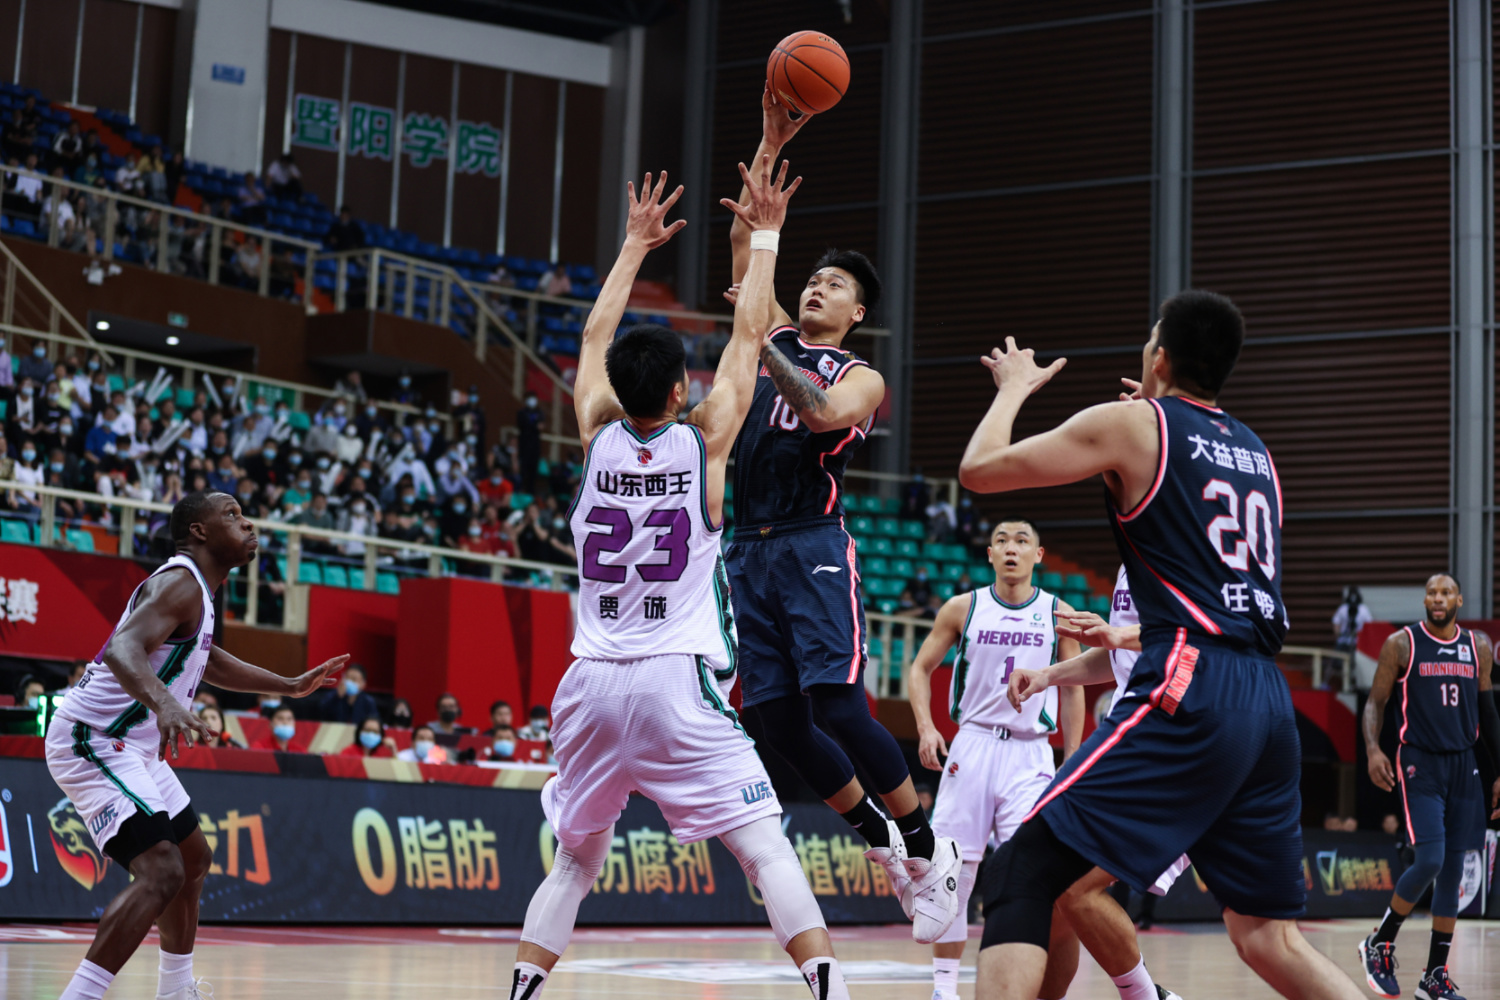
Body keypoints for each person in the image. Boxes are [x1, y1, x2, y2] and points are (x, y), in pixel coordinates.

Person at [506, 164, 859, 1000]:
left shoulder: (592, 433)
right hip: (674, 682)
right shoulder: (701, 445)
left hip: (588, 683)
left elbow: (594, 341)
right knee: (766, 845)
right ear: (677, 390)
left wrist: (633, 245)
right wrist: (765, 234)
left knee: (577, 861)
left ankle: (519, 992)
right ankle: (830, 993)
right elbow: (749, 339)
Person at [957, 292, 1363, 1000]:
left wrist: (1015, 388)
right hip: (1268, 700)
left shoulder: (1134, 423)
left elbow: (980, 469)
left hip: (1190, 683)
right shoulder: (1255, 450)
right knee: (1267, 935)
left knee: (1020, 871)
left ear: (1161, 356)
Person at [722, 88, 960, 944]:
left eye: (834, 286)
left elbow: (822, 414)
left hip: (813, 543)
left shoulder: (859, 374)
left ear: (856, 312)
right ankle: (886, 847)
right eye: (812, 280)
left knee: (841, 706)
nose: (816, 289)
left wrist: (764, 344)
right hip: (746, 548)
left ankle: (932, 853)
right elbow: (752, 243)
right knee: (773, 719)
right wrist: (767, 143)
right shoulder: (771, 332)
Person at [45, 489, 346, 1000]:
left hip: (134, 745)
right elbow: (123, 649)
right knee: (161, 870)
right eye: (232, 515)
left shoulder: (199, 593)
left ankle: (176, 991)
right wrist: (164, 703)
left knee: (192, 858)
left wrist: (291, 685)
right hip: (95, 737)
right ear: (199, 532)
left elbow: (207, 659)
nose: (248, 524)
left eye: (245, 515)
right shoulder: (180, 581)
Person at [907, 518, 1086, 1000]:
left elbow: (1072, 690)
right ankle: (944, 992)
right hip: (973, 744)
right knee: (952, 876)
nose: (1011, 549)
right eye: (1002, 541)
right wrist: (926, 727)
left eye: (1022, 541)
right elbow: (920, 668)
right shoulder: (963, 607)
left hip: (1031, 753)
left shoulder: (1057, 612)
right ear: (989, 554)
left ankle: (1023, 983)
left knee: (1027, 874)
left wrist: (1070, 758)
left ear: (1039, 555)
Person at [1008, 567, 1188, 1000]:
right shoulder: (1129, 563)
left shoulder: (1182, 545)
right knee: (1058, 895)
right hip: (1131, 739)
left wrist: (1116, 636)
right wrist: (1048, 676)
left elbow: (1198, 635)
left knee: (1265, 937)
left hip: (1177, 742)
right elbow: (1118, 655)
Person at [1358, 574, 1500, 1000]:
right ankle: (1378, 943)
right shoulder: (1402, 644)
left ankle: (1434, 977)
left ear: (1458, 599)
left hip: (1464, 765)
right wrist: (1372, 750)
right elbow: (1375, 702)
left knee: (1453, 872)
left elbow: (1488, 715)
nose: (1437, 599)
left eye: (1445, 593)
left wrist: (1498, 772)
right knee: (1431, 860)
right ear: (1425, 600)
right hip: (1419, 762)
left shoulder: (1478, 647)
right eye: (1431, 593)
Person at [318, 663, 379, 728]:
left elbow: (375, 722)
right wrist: (337, 697)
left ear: (363, 684)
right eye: (347, 677)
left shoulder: (368, 702)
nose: (349, 681)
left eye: (354, 679)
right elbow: (322, 714)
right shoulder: (332, 696)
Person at [1332, 586, 1372, 656]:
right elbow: (1369, 625)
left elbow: (1336, 625)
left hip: (1356, 643)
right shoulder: (1364, 609)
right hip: (1347, 641)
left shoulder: (1343, 608)